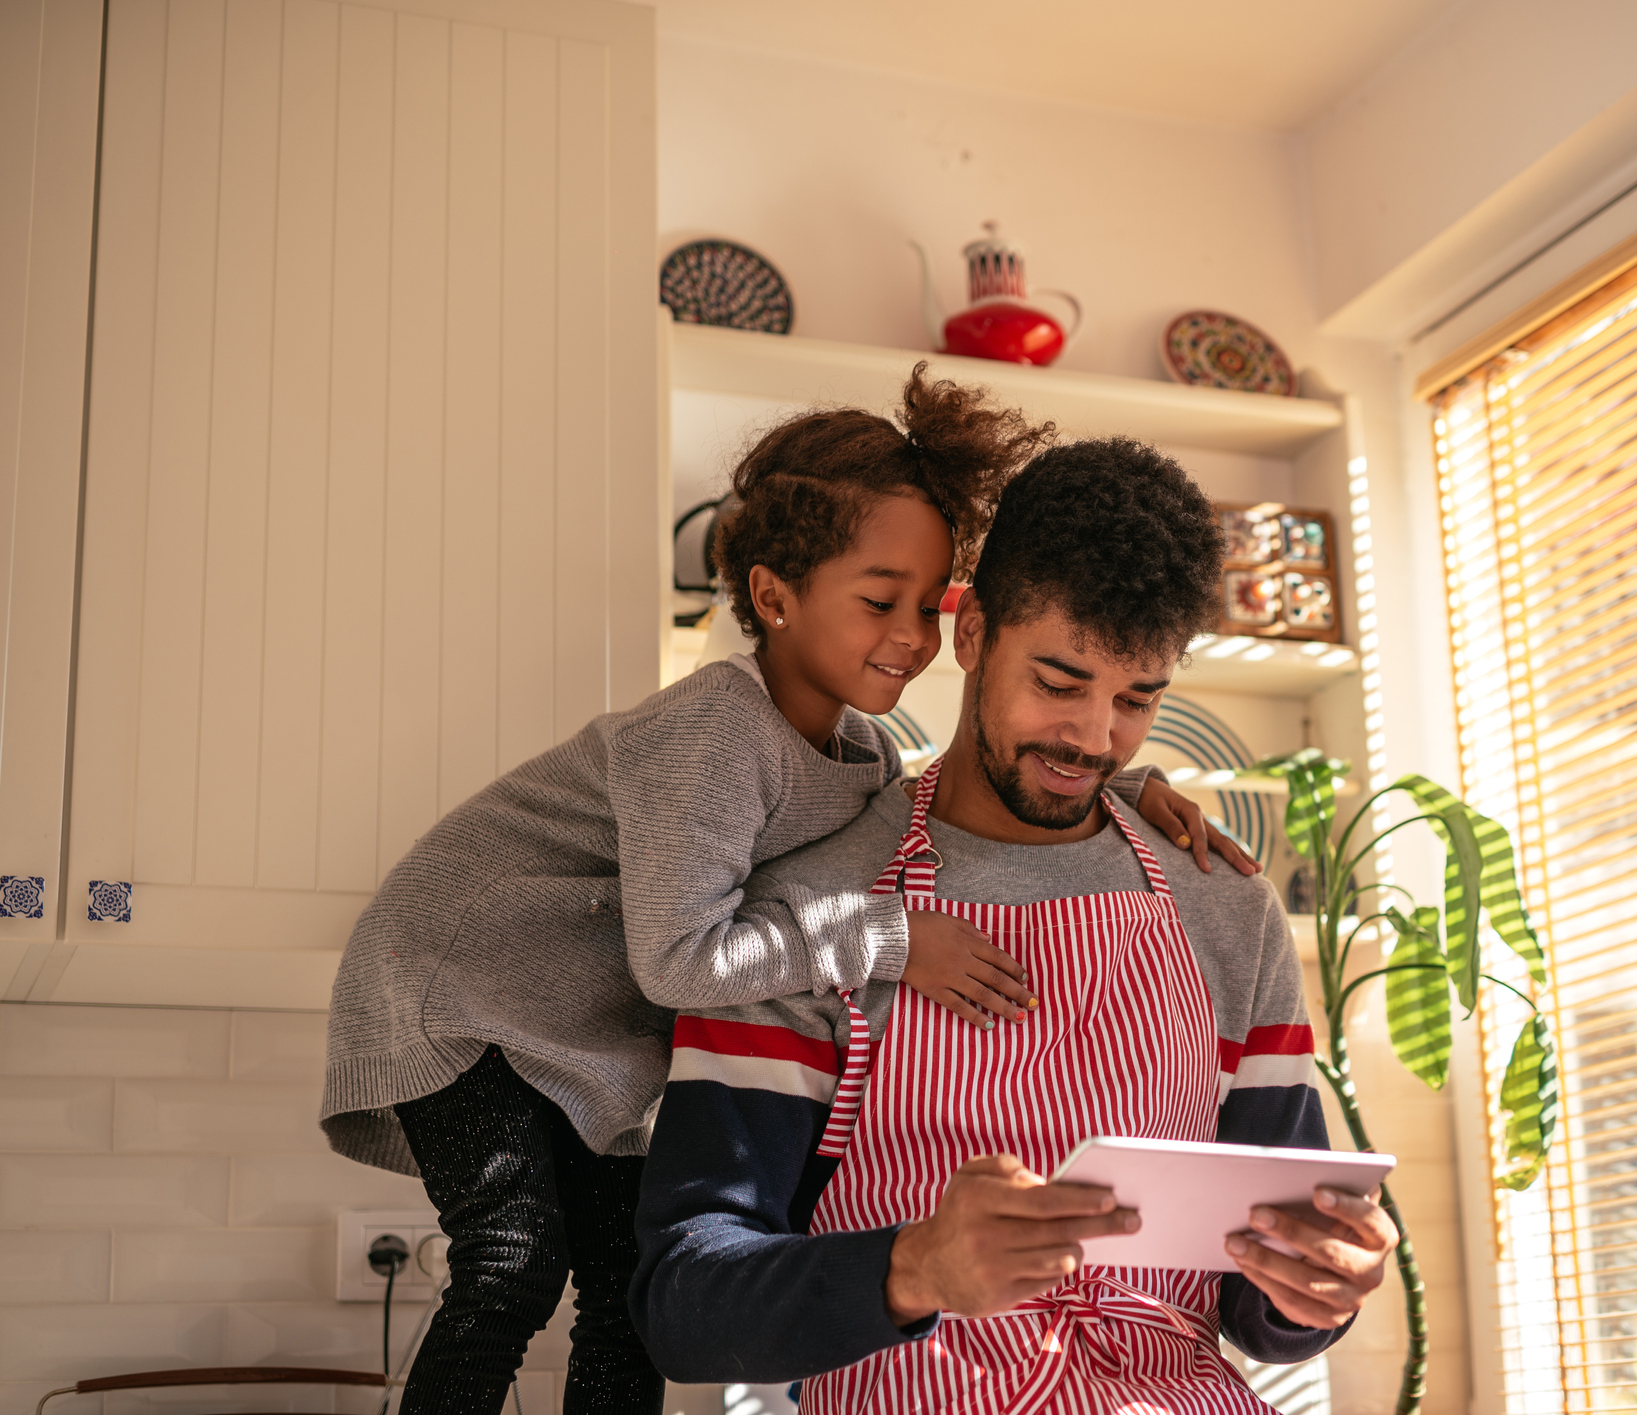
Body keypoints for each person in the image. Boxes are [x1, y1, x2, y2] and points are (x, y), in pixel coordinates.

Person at [318, 370, 1239, 1415]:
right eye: (877, 599)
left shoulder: (857, 754)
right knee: (512, 1257)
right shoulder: (713, 729)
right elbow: (682, 959)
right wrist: (893, 938)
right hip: (457, 989)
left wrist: (1123, 783)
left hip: (565, 1021)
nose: (910, 635)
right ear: (772, 596)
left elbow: (977, 784)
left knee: (624, 1292)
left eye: (925, 605)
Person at [631, 438, 1398, 1413]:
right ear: (973, 630)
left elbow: (1260, 1302)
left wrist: (1315, 1288)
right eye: (1060, 680)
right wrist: (912, 1267)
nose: (1093, 737)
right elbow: (683, 1300)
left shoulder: (1223, 907)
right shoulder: (811, 916)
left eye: (1138, 699)